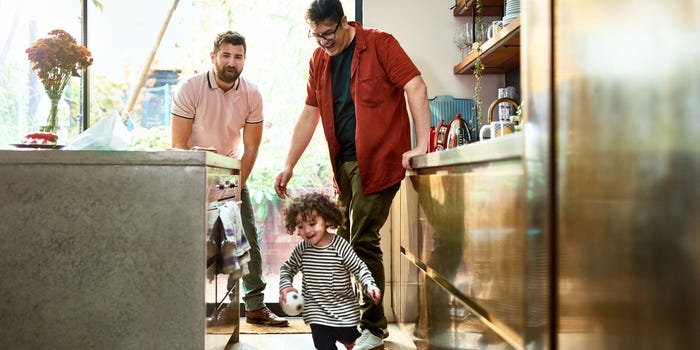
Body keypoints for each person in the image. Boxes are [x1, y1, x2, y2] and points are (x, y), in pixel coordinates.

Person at [273, 0, 430, 348]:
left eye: (328, 33)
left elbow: (416, 87)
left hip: (378, 160)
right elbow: (309, 113)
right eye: (316, 36)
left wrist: (422, 145)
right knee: (342, 243)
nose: (324, 42)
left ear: (344, 21)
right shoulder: (319, 60)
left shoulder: (380, 43)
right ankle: (344, 321)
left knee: (361, 239)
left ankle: (373, 327)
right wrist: (289, 163)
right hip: (342, 164)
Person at [171, 30, 288, 327]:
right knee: (194, 242)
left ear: (244, 60)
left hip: (230, 173)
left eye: (238, 56)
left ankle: (254, 307)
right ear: (213, 57)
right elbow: (178, 146)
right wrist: (198, 183)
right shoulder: (190, 88)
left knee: (245, 238)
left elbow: (252, 147)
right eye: (226, 55)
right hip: (193, 172)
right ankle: (182, 307)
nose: (232, 62)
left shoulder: (252, 93)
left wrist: (236, 189)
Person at [279, 192, 381, 350]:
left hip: (343, 312)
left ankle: (355, 343)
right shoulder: (302, 249)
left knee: (350, 340)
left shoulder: (340, 246)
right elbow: (287, 268)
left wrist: (369, 285)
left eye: (312, 223)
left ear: (327, 219)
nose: (307, 230)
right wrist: (285, 286)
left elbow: (359, 268)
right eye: (301, 226)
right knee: (323, 346)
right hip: (316, 314)